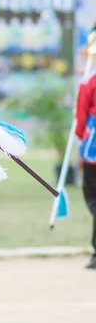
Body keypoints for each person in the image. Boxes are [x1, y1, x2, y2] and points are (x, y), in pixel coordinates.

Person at [75, 69, 96, 269]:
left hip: (93, 147)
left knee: (92, 197)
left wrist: (81, 135)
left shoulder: (89, 81)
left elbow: (81, 114)